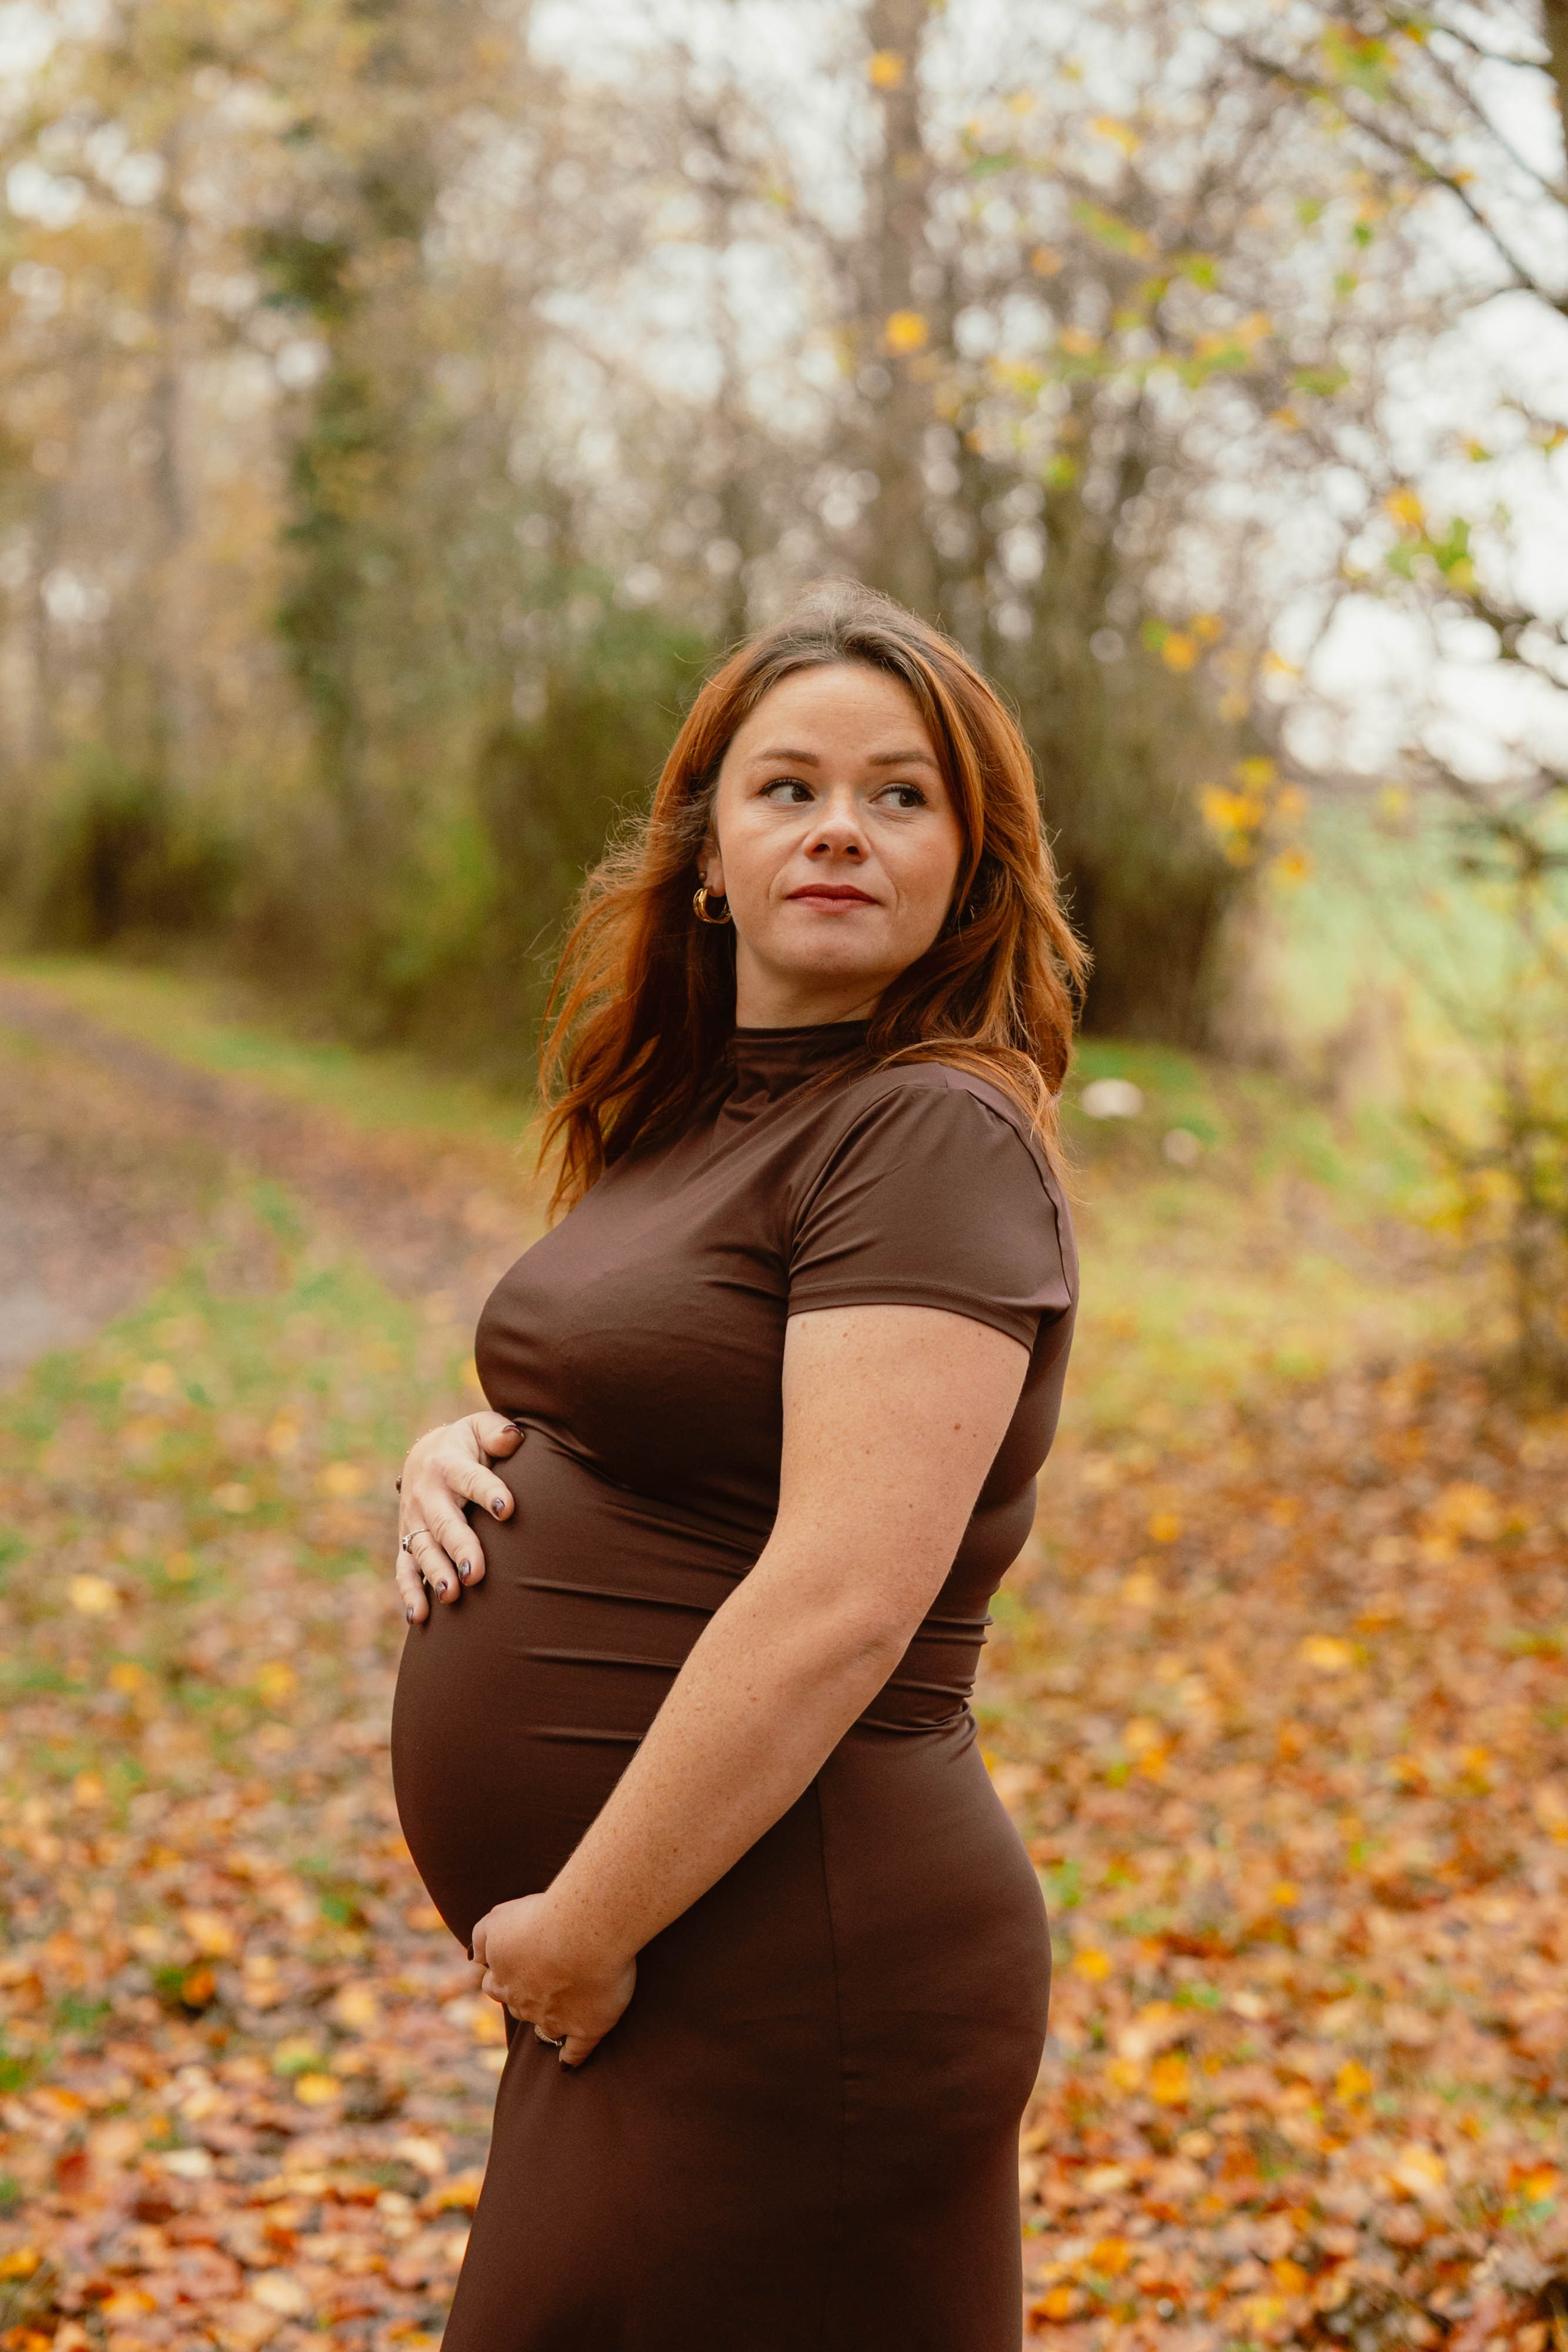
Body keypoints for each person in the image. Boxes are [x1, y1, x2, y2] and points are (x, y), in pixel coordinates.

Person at [388, 579, 1085, 2351]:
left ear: (968, 864)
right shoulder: (702, 1104)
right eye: (787, 788)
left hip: (789, 1956)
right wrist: (457, 1453)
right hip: (673, 1944)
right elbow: (651, 1406)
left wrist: (586, 1929)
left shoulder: (926, 1129)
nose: (840, 827)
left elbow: (847, 1595)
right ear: (709, 849)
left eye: (901, 794)